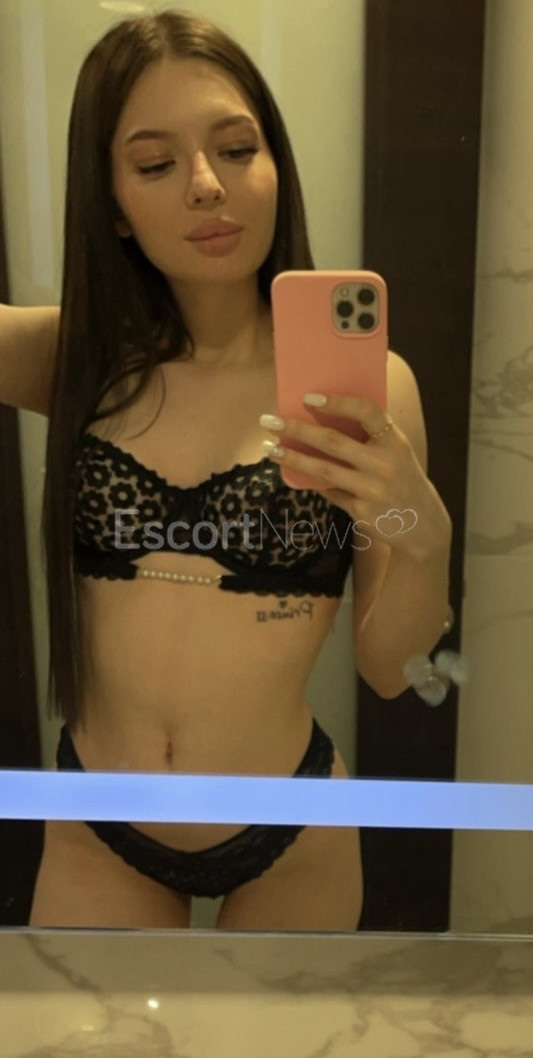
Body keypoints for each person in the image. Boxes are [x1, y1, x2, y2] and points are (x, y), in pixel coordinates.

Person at [0, 9, 452, 930]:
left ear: (275, 165)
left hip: (291, 826)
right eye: (155, 164)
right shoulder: (76, 357)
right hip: (98, 824)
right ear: (111, 203)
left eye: (237, 149)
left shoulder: (368, 391)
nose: (207, 185)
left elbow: (390, 671)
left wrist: (419, 531)